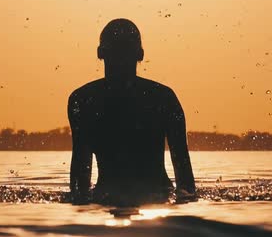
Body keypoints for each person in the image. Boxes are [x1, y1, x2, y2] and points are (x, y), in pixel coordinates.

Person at [67, 18, 196, 205]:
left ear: (100, 53)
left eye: (123, 51)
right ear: (140, 54)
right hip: (157, 195)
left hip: (106, 196)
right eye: (117, 51)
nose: (120, 59)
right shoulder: (163, 97)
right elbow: (184, 177)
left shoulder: (84, 99)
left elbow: (80, 178)